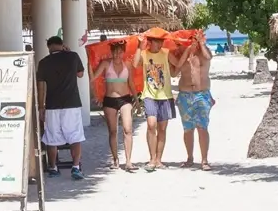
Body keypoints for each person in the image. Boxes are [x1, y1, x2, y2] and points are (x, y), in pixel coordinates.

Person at [36, 35, 88, 179]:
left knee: (52, 137)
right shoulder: (73, 56)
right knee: (75, 136)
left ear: (49, 47)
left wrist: (41, 107)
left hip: (52, 105)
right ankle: (75, 167)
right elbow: (80, 74)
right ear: (62, 44)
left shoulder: (44, 62)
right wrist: (69, 52)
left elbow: (41, 87)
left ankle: (53, 167)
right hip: (72, 103)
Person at [175, 33, 214, 169]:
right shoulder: (183, 55)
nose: (193, 43)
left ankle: (204, 160)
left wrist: (201, 44)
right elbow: (176, 69)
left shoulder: (205, 53)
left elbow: (209, 57)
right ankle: (190, 158)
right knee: (188, 128)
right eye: (191, 40)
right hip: (185, 95)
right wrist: (187, 51)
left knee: (202, 127)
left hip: (202, 94)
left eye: (196, 40)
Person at [97, 38, 137, 170]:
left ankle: (129, 161)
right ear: (111, 52)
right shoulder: (105, 63)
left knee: (128, 129)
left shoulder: (128, 64)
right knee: (113, 131)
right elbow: (93, 78)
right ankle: (115, 160)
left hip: (125, 99)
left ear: (124, 52)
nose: (117, 55)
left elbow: (131, 83)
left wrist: (136, 100)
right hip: (110, 100)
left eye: (120, 52)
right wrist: (88, 63)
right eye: (114, 52)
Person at [139, 27, 176, 169]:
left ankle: (159, 160)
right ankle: (152, 159)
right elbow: (135, 63)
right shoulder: (143, 53)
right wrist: (139, 46)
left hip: (165, 95)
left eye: (161, 41)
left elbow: (177, 65)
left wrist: (188, 51)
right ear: (150, 42)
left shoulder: (166, 53)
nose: (160, 44)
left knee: (162, 128)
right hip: (149, 95)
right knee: (151, 125)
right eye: (157, 41)